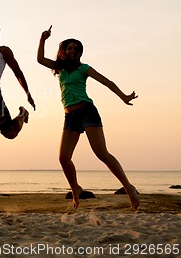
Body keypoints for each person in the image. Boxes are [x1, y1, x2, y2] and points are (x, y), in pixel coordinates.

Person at [37, 25, 140, 210]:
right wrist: (43, 39)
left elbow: (106, 82)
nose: (73, 51)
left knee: (102, 153)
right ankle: (75, 188)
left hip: (87, 112)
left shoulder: (84, 68)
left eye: (76, 49)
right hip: (70, 117)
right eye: (69, 48)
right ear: (63, 51)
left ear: (80, 53)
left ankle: (129, 188)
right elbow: (40, 59)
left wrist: (124, 96)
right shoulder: (59, 68)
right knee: (63, 158)